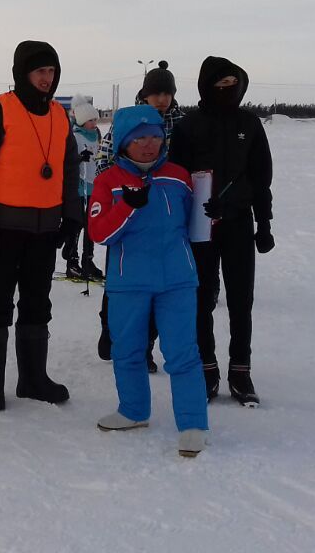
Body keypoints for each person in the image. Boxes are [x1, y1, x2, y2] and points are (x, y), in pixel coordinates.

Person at [0, 40, 82, 410]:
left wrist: (72, 214)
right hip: (3, 225)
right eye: (40, 71)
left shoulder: (61, 116)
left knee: (37, 302)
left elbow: (68, 169)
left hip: (45, 228)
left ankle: (33, 379)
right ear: (23, 73)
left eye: (51, 72)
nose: (47, 79)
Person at [87, 104, 208, 457]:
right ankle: (133, 411)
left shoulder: (179, 176)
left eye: (155, 136)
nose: (148, 144)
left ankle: (193, 424)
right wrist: (128, 206)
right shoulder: (107, 181)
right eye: (140, 138)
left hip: (177, 280)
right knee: (126, 350)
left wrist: (211, 216)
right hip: (128, 282)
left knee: (183, 353)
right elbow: (98, 233)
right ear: (124, 141)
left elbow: (195, 227)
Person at [169, 56, 274, 406]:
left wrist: (265, 223)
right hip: (200, 226)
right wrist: (188, 212)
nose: (229, 91)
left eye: (234, 85)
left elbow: (261, 177)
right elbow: (176, 178)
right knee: (200, 299)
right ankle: (207, 368)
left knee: (241, 299)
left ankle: (241, 372)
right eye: (221, 86)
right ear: (206, 87)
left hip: (240, 223)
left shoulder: (250, 124)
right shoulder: (188, 126)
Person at [95, 61, 184, 366]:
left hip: (164, 217)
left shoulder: (180, 124)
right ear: (144, 95)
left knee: (161, 285)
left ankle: (145, 344)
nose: (162, 99)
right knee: (120, 280)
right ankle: (111, 330)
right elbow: (105, 163)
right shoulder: (125, 122)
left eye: (167, 93)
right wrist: (120, 193)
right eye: (156, 93)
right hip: (127, 214)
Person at [62, 96, 101, 281]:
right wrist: (80, 158)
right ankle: (72, 260)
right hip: (79, 187)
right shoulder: (74, 136)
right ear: (82, 121)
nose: (94, 123)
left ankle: (88, 260)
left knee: (91, 225)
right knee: (77, 224)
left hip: (94, 186)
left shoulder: (97, 135)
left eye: (95, 120)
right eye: (91, 120)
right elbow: (67, 161)